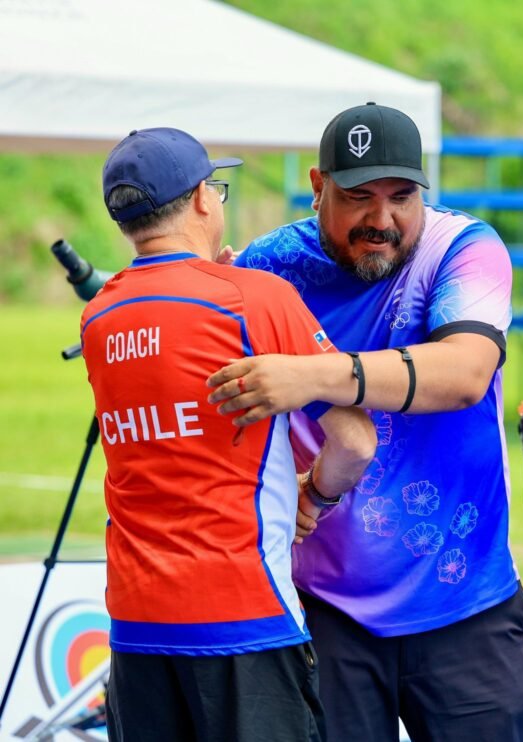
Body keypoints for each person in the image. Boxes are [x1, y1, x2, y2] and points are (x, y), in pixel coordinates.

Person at [206, 102, 523, 741]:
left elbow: (465, 373)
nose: (381, 221)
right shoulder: (269, 265)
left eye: (401, 197)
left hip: (464, 599)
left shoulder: (461, 249)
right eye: (359, 197)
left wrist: (312, 374)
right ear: (317, 187)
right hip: (323, 606)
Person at [82, 127, 377, 742]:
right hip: (246, 617)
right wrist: (315, 495)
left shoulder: (99, 314)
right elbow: (355, 441)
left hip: (136, 624)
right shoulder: (256, 299)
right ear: (201, 199)